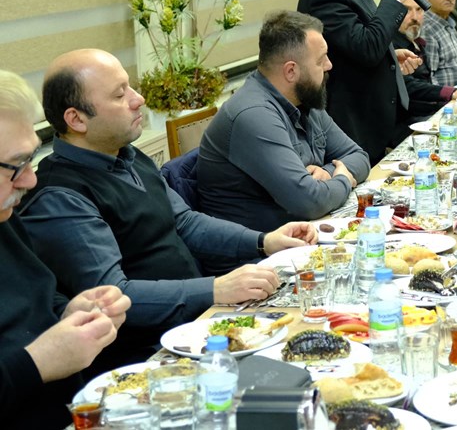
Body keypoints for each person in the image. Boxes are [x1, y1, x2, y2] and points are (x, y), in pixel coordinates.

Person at [20, 49, 317, 369]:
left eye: (130, 87)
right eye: (120, 95)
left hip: (201, 322)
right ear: (76, 119)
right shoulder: (60, 195)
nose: (138, 99)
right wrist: (216, 288)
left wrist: (263, 241)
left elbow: (185, 223)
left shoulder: (128, 156)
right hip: (148, 354)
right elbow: (114, 295)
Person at [0, 69, 131, 429]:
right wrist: (37, 363)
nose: (31, 179)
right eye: (16, 166)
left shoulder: (5, 219)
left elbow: (34, 298)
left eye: (31, 159)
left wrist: (71, 310)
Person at [197, 11, 371, 233]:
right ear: (291, 71)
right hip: (262, 248)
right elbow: (310, 202)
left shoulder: (303, 98)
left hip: (303, 232)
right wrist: (343, 180)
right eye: (321, 60)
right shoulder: (254, 115)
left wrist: (327, 173)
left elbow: (359, 156)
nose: (329, 65)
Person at [297, 0, 422, 162]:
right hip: (350, 127)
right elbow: (366, 49)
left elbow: (359, 45)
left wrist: (390, 55)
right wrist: (392, 0)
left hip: (375, 125)